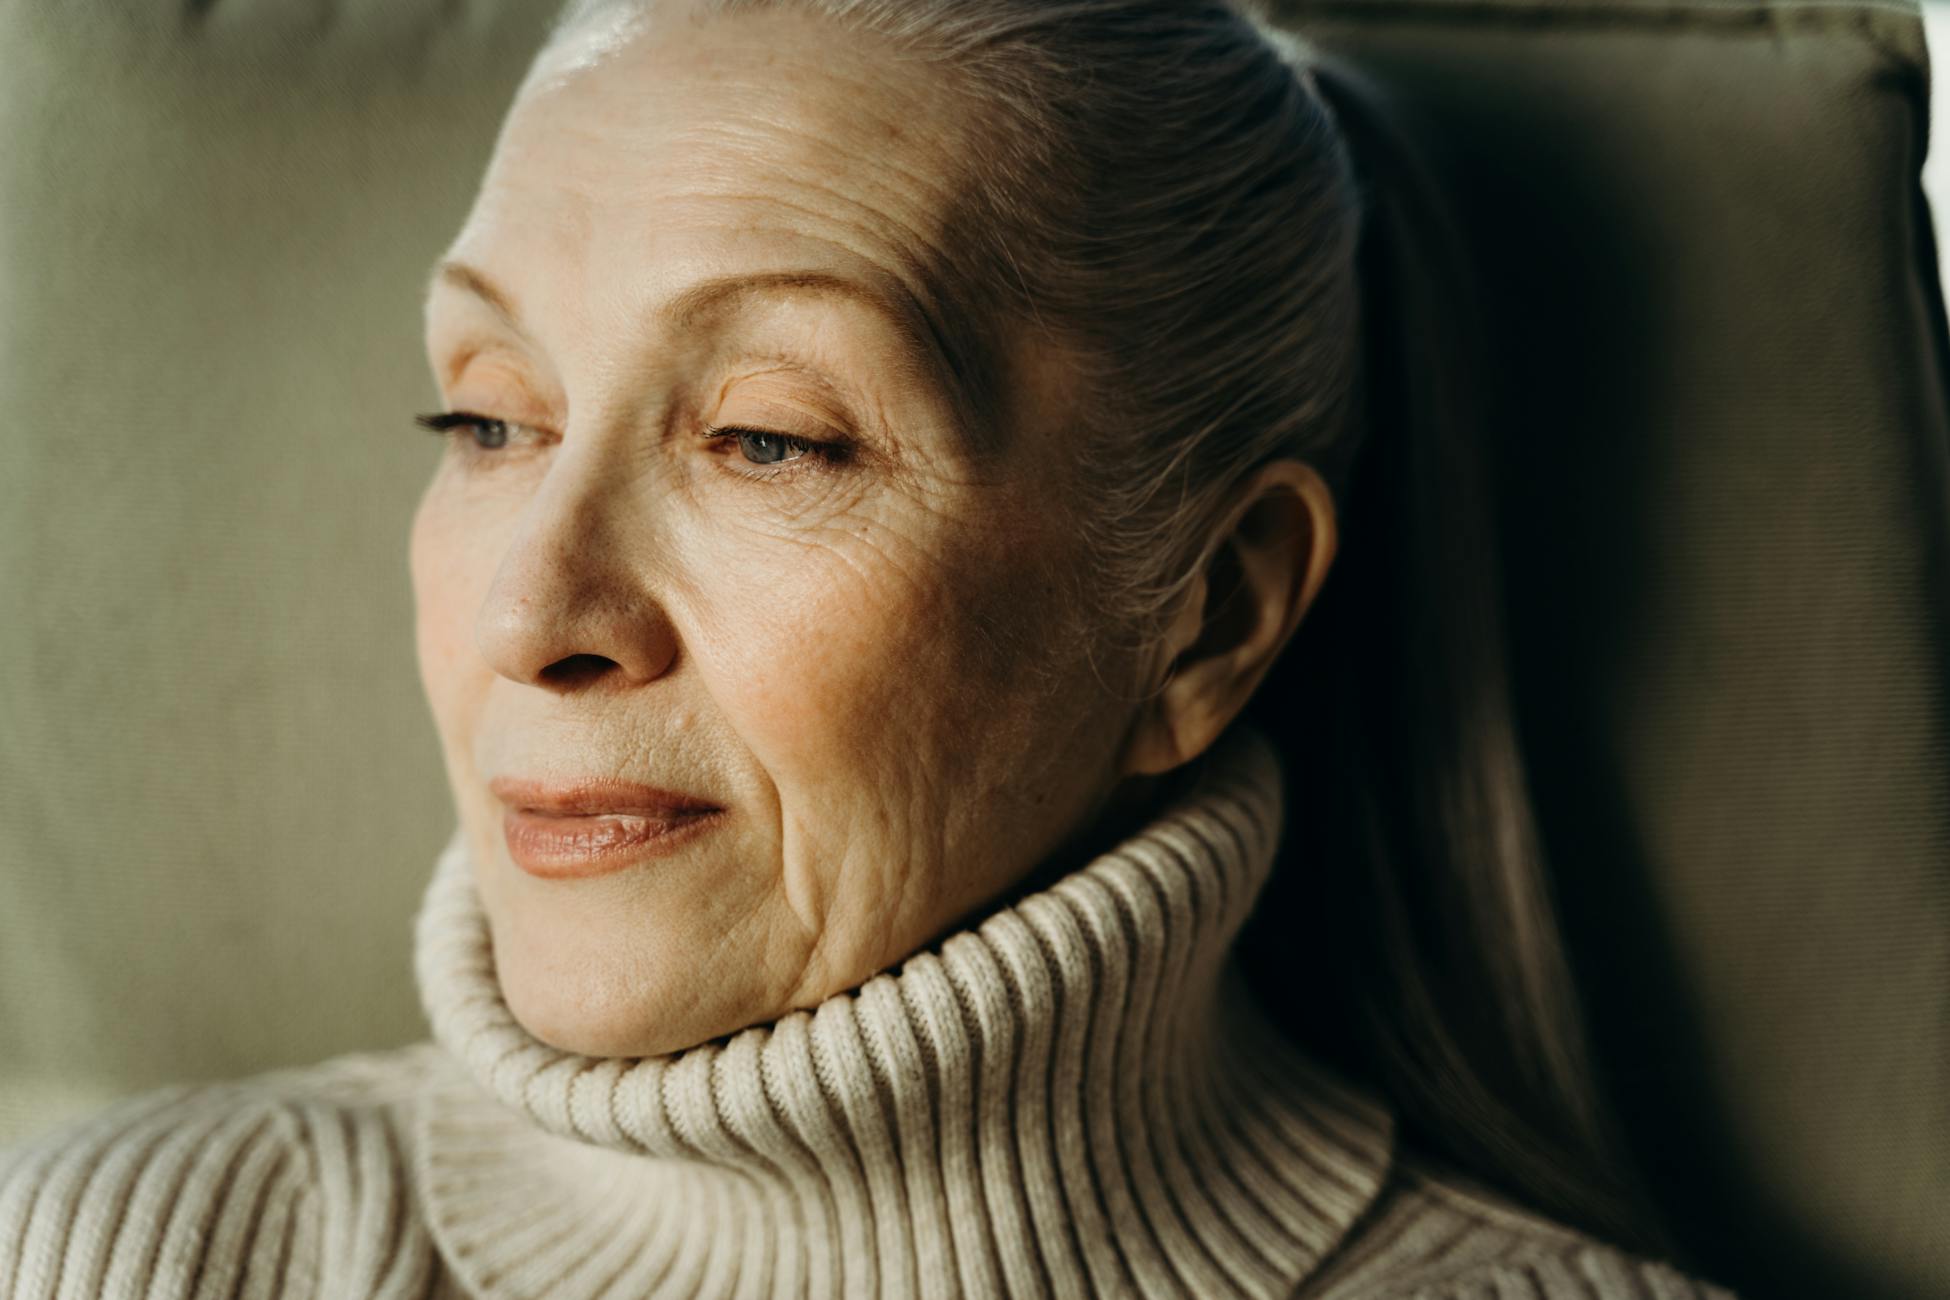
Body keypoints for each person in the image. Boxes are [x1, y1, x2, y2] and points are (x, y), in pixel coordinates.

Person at [0, 1, 1741, 1296]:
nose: (533, 621)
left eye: (769, 440)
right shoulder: (131, 1252)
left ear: (1208, 612)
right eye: (483, 419)